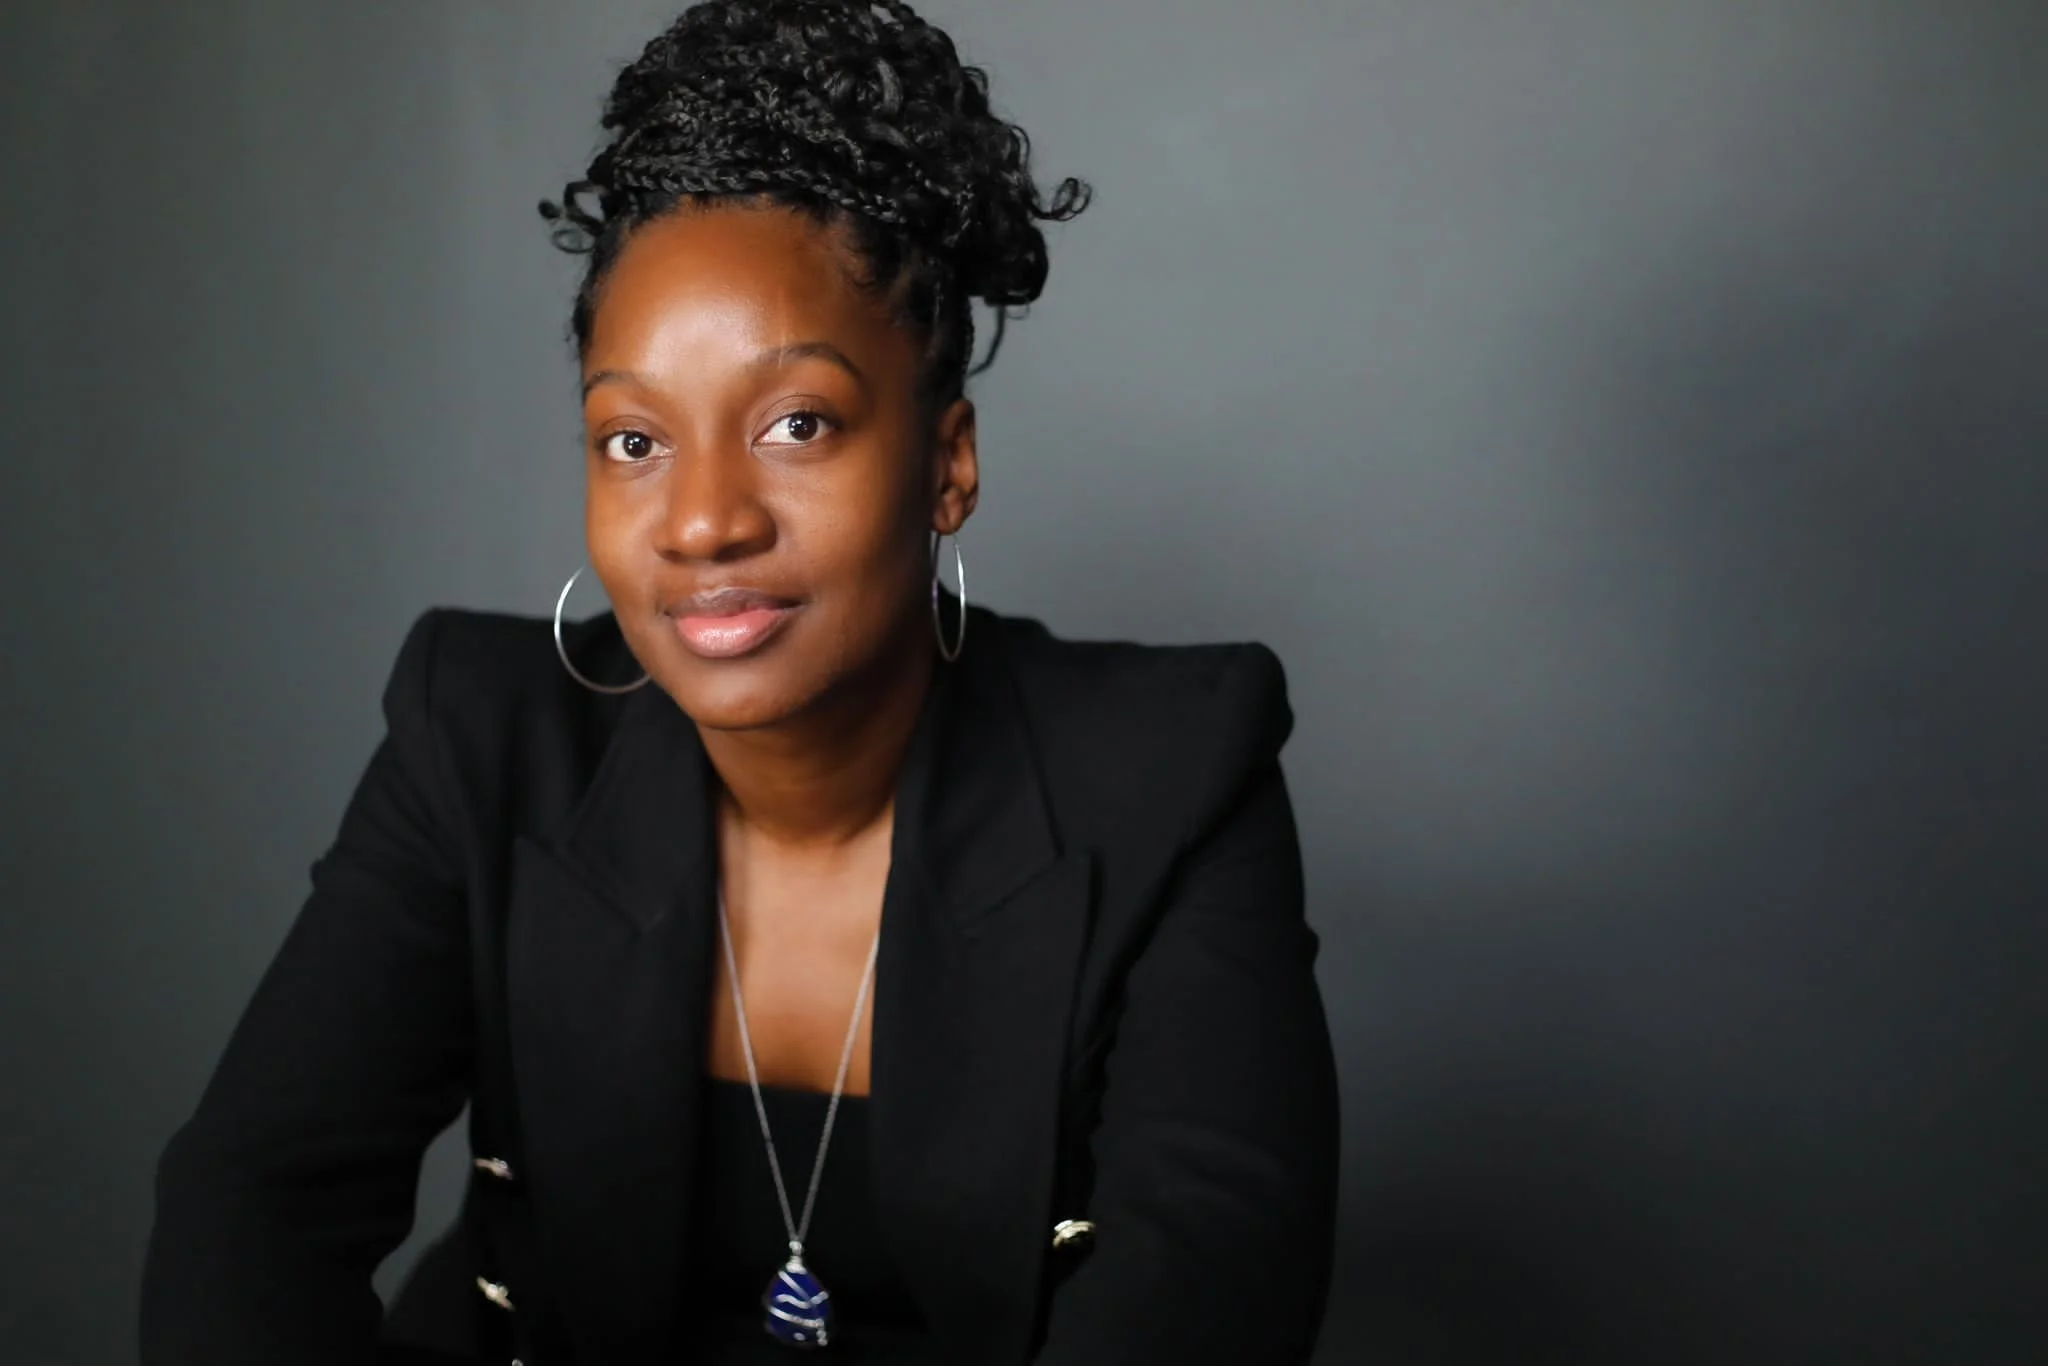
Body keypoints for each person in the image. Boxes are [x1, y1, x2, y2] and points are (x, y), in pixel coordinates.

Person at [138, 2, 1339, 1363]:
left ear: (947, 462)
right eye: (633, 438)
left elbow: (1208, 1289)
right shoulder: (480, 732)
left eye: (796, 423)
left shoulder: (1172, 771)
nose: (703, 519)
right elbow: (251, 1203)